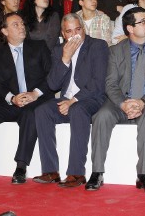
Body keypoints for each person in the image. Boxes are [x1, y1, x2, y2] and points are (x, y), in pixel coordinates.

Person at [86, 7, 145, 192]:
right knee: (101, 116)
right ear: (130, 28)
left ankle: (144, 175)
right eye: (143, 21)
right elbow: (110, 84)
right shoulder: (116, 50)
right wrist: (123, 104)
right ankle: (97, 172)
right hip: (121, 101)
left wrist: (143, 101)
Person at [0, 12, 53, 183]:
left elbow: (51, 76)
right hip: (13, 102)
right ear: (4, 31)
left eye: (22, 23)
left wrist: (34, 94)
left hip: (36, 100)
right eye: (15, 25)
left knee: (29, 114)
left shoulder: (39, 47)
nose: (21, 27)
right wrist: (12, 98)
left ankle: (21, 166)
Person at [33, 14, 109, 188]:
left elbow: (98, 83)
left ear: (83, 28)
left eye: (78, 29)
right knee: (42, 111)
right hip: (66, 99)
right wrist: (65, 58)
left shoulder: (98, 46)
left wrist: (73, 100)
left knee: (77, 109)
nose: (75, 35)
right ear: (63, 33)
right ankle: (50, 171)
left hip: (92, 99)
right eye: (69, 31)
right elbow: (53, 84)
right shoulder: (59, 50)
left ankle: (76, 173)